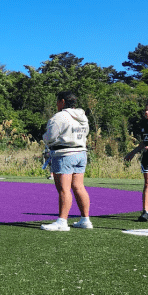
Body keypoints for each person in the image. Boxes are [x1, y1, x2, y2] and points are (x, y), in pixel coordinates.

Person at [40, 91, 92, 231]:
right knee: (79, 187)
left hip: (64, 154)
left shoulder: (59, 117)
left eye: (57, 101)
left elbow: (50, 137)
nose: (57, 104)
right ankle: (85, 219)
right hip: (81, 152)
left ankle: (62, 221)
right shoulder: (82, 116)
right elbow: (86, 132)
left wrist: (45, 138)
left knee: (64, 189)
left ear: (62, 101)